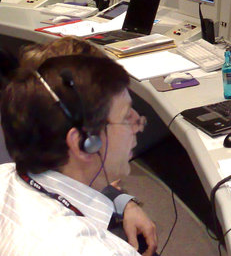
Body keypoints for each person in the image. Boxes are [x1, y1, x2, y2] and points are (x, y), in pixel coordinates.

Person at [0, 54, 155, 255]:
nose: (138, 124)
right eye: (127, 117)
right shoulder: (98, 250)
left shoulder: (5, 173)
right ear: (84, 143)